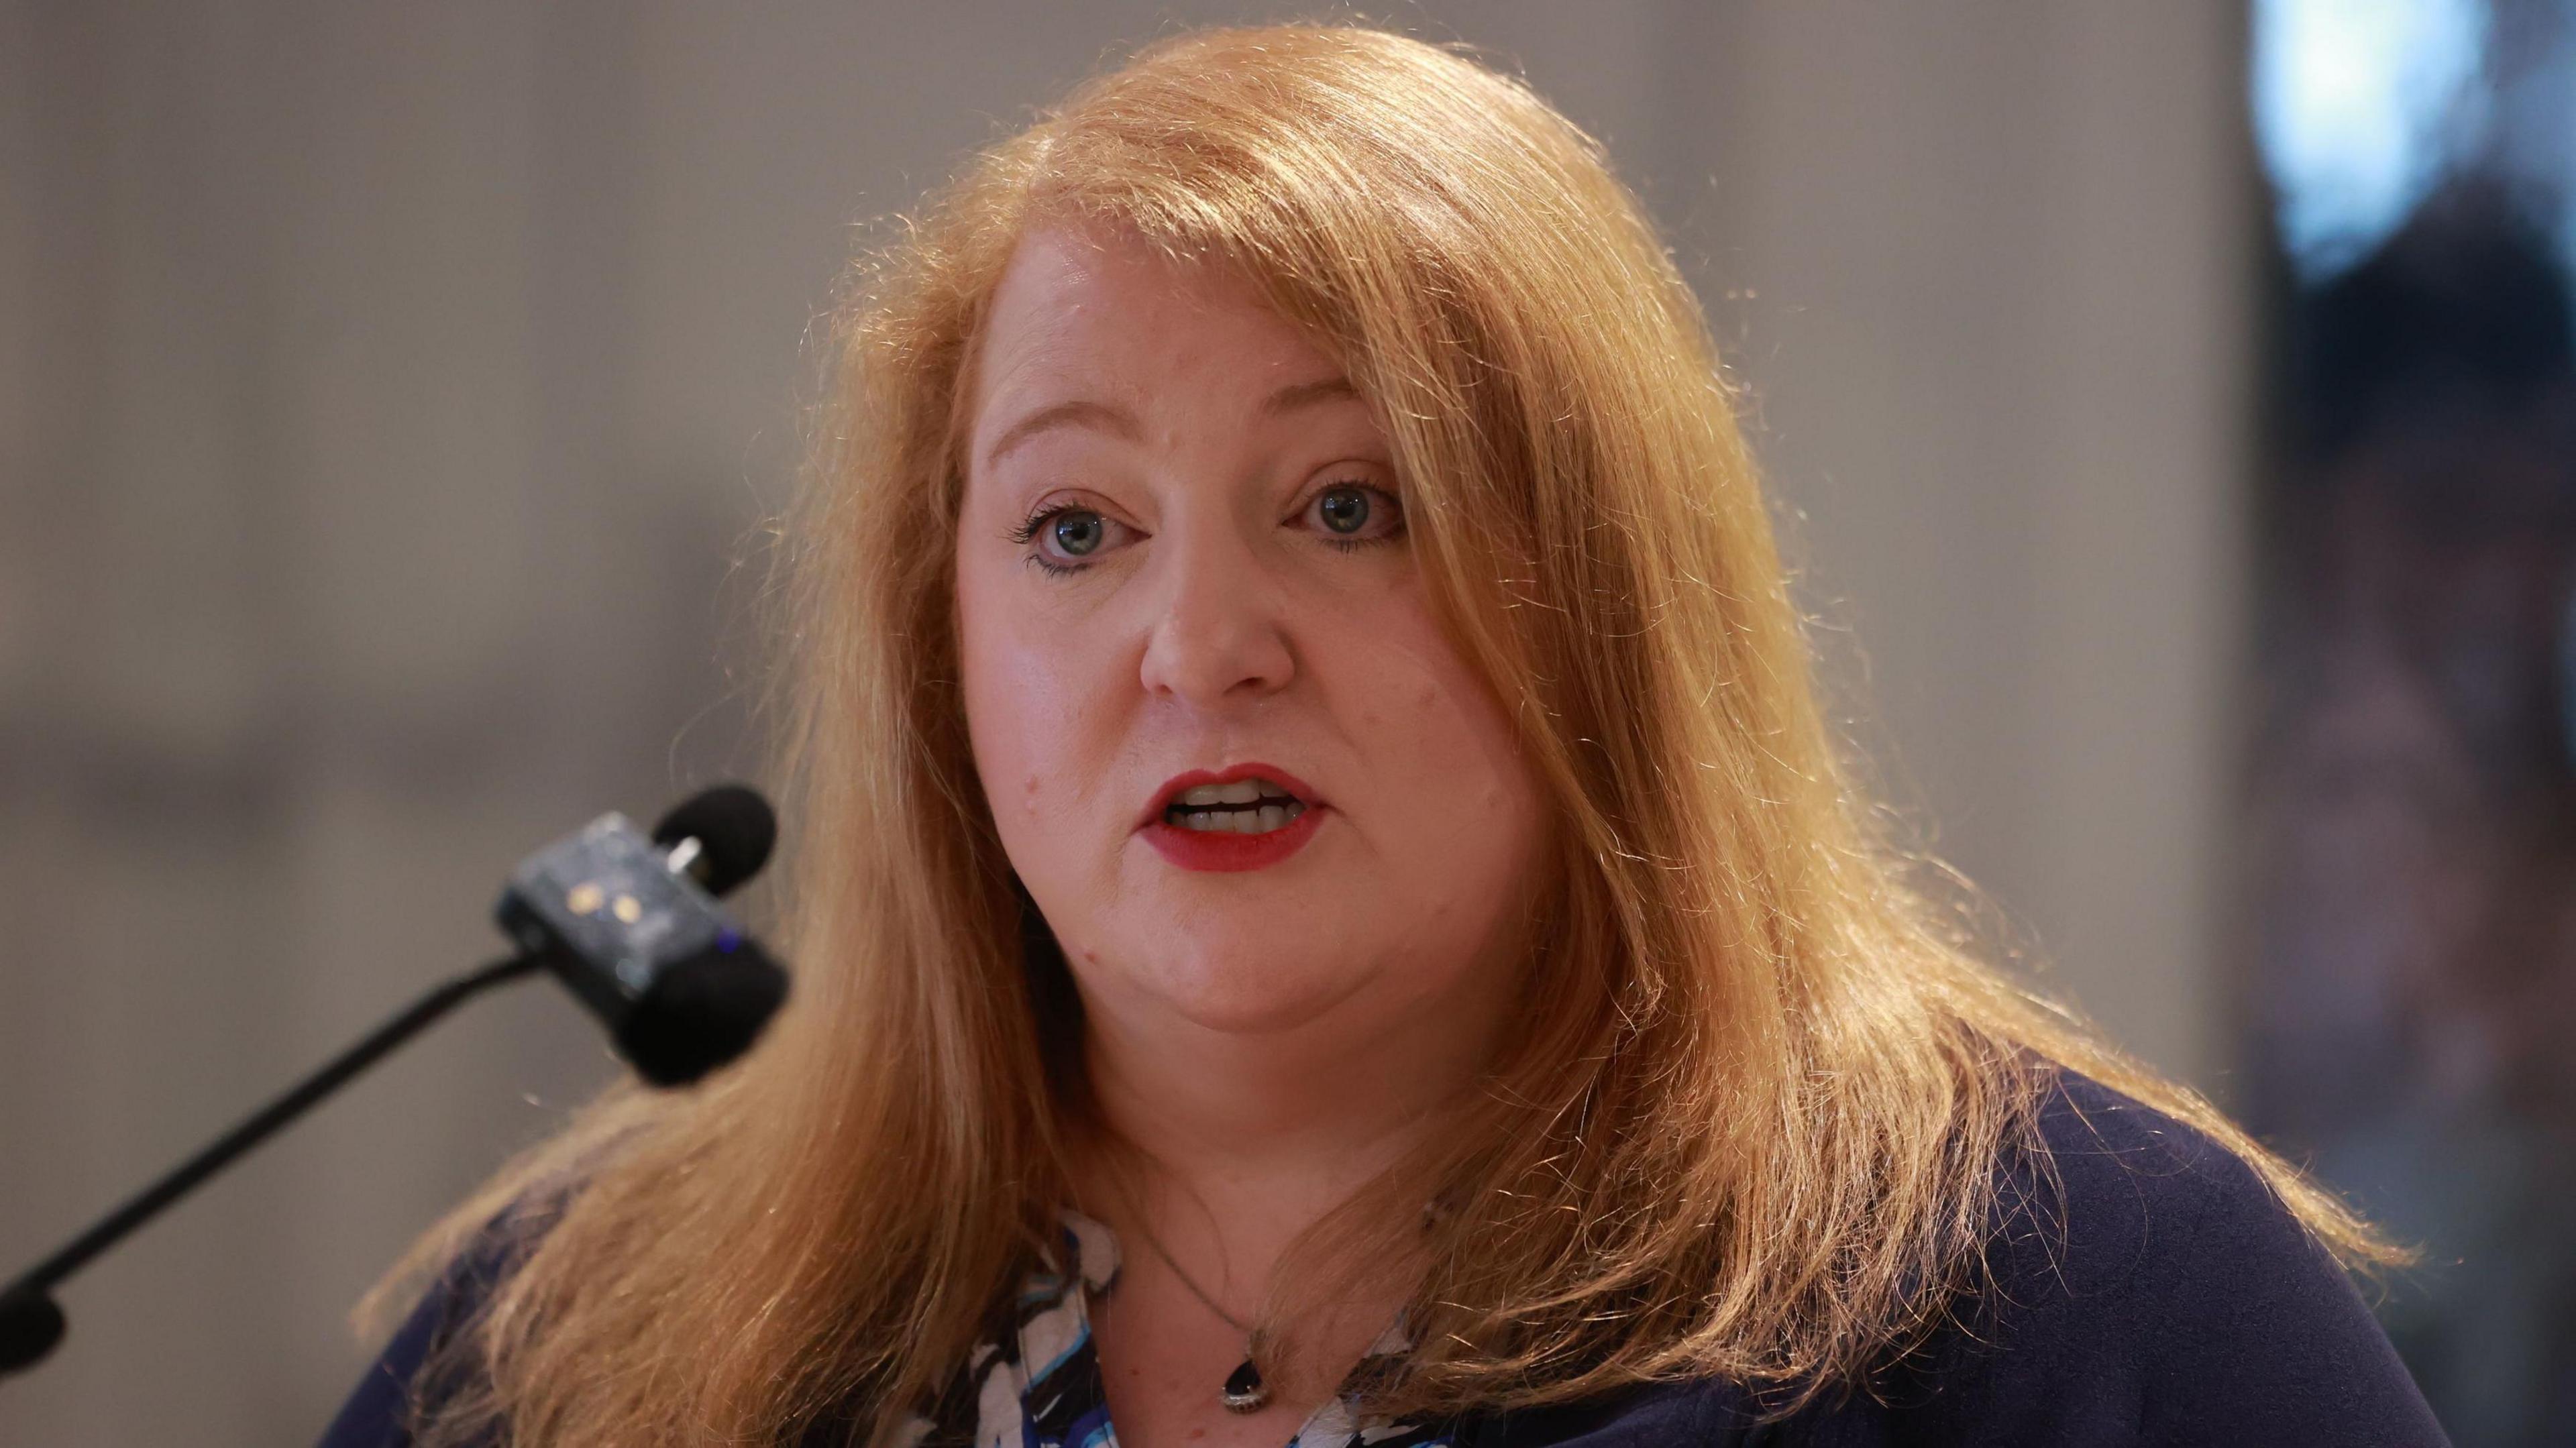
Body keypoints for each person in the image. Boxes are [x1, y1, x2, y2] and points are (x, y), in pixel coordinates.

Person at [319, 23, 2447, 1448]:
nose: (1201, 645)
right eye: (1076, 528)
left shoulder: (2069, 1298)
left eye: (1353, 507)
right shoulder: (593, 1334)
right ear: (939, 649)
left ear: (1611, 605)